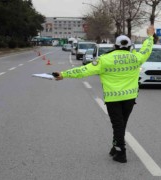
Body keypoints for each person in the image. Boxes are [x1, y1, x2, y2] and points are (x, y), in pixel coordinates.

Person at [53, 25, 155, 163]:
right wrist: (150, 36)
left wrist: (64, 74)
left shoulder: (104, 59)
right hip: (130, 97)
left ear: (115, 46)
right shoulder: (136, 58)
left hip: (113, 98)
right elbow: (146, 50)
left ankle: (121, 153)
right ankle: (115, 147)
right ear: (130, 46)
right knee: (121, 124)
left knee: (118, 124)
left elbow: (84, 70)